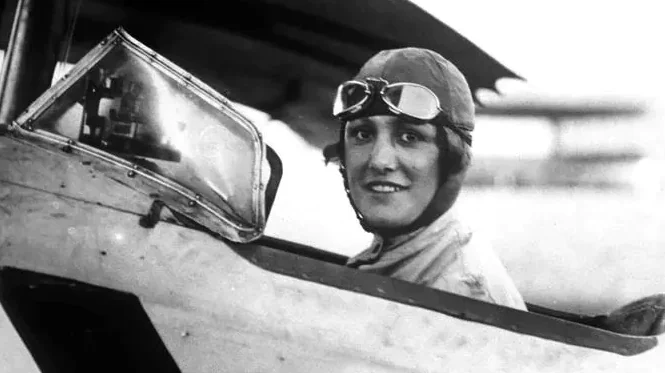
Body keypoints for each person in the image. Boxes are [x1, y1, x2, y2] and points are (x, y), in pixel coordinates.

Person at [324, 47, 527, 310]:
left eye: (409, 137)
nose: (379, 160)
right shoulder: (394, 257)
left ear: (452, 159)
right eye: (363, 134)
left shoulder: (463, 296)